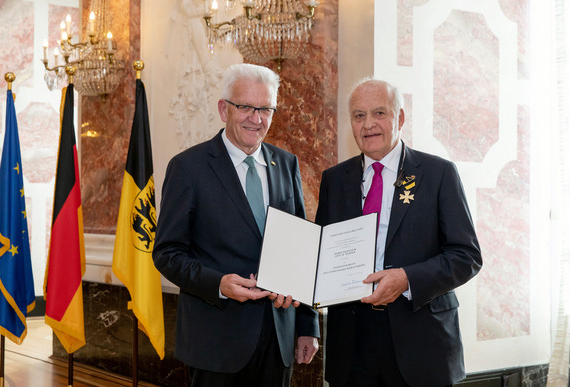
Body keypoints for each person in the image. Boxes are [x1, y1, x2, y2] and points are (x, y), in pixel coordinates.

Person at [153, 63, 320, 387]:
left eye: (265, 109)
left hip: (278, 340)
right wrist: (219, 284)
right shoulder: (189, 167)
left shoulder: (286, 163)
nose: (255, 119)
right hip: (215, 342)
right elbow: (167, 253)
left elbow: (302, 248)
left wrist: (307, 325)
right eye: (245, 107)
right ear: (223, 109)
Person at [315, 78, 483, 387]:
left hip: (421, 340)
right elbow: (321, 255)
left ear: (400, 118)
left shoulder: (437, 174)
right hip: (352, 343)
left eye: (379, 113)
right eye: (358, 115)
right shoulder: (335, 180)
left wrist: (407, 278)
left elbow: (466, 256)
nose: (369, 124)